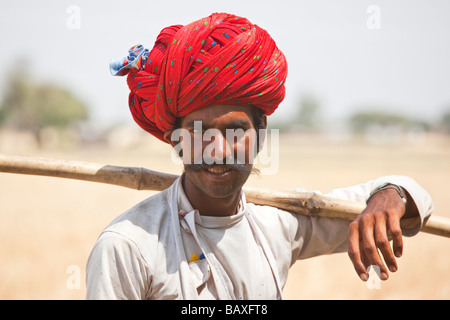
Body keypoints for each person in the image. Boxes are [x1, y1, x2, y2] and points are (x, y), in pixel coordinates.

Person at [86, 13, 434, 300]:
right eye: (197, 132)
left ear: (261, 134)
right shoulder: (128, 247)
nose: (218, 151)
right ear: (174, 139)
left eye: (235, 131)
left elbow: (403, 193)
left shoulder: (279, 226)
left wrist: (391, 195)